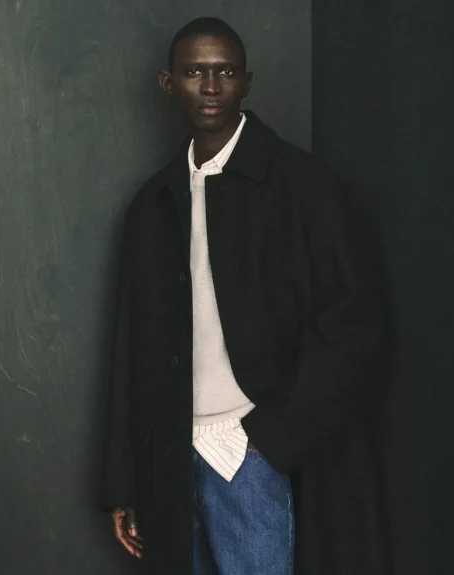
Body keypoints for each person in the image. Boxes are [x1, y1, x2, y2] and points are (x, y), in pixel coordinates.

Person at [101, 16, 389, 575]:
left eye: (226, 72)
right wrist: (124, 481)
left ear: (247, 82)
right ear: (168, 84)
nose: (211, 86)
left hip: (253, 454)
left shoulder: (305, 186)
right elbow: (129, 349)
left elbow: (354, 323)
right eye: (194, 73)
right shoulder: (153, 205)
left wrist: (270, 438)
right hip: (169, 464)